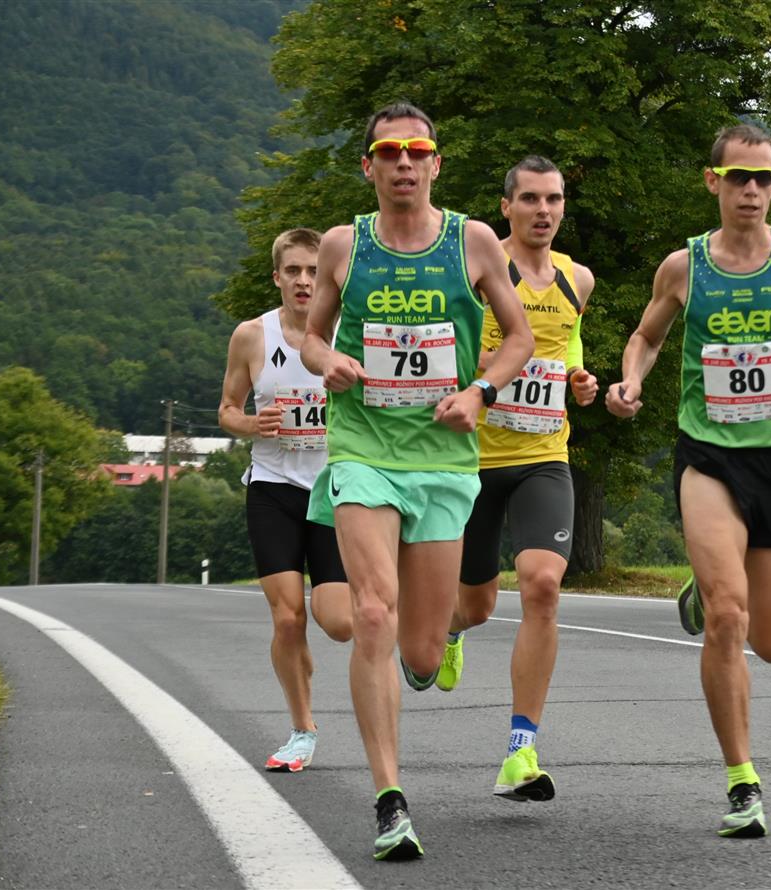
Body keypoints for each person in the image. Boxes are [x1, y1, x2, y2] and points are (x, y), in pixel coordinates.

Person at [606, 124, 771, 838]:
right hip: (709, 457)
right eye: (738, 176)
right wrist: (631, 381)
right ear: (712, 181)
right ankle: (742, 781)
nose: (751, 190)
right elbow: (646, 336)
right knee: (728, 617)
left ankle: (705, 584)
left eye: (764, 178)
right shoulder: (683, 267)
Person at [301, 101, 534, 862]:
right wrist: (328, 360)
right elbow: (311, 335)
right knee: (372, 612)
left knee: (424, 653)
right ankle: (389, 800)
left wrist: (480, 392)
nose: (403, 162)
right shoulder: (343, 245)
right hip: (363, 448)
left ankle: (434, 645)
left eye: (416, 151)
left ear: (435, 163)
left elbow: (520, 337)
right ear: (368, 166)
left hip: (441, 459)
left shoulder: (473, 241)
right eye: (388, 152)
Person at [433, 156, 598, 804]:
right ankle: (449, 631)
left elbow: (568, 344)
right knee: (475, 606)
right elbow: (446, 346)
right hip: (473, 460)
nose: (543, 210)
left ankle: (520, 749)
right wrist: (500, 365)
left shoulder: (577, 279)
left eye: (553, 199)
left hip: (543, 455)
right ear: (506, 207)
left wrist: (577, 377)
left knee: (541, 585)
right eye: (529, 198)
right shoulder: (479, 269)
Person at [218, 227, 353, 774]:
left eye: (314, 271)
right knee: (287, 617)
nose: (303, 281)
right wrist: (252, 424)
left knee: (339, 622)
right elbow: (227, 409)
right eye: (293, 270)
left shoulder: (348, 332)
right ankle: (302, 729)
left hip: (333, 489)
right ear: (277, 276)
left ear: (329, 278)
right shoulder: (252, 336)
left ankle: (305, 658)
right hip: (272, 488)